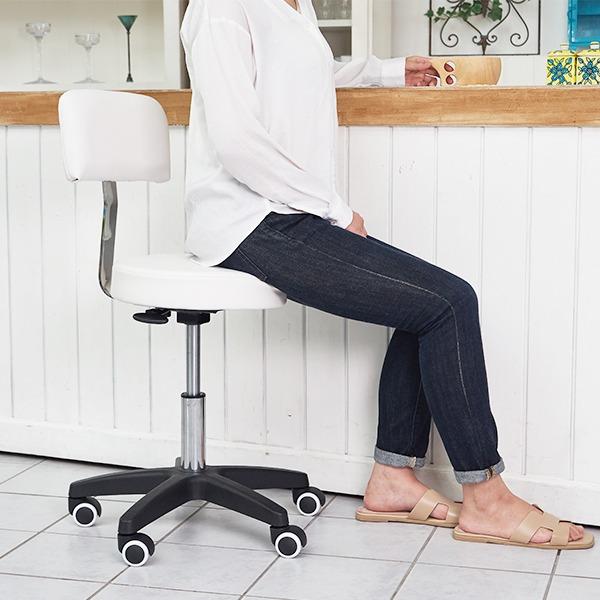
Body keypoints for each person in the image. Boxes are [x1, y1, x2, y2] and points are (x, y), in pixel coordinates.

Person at [179, 0, 593, 549]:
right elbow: (237, 143)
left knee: (428, 305)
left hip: (287, 213)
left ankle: (392, 478)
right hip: (249, 222)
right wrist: (332, 209)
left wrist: (391, 71)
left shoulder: (293, 6)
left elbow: (303, 69)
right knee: (448, 303)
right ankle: (486, 499)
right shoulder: (221, 8)